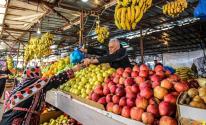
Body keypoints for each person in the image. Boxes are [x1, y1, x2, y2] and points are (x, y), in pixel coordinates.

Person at [0, 65, 80, 125]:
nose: (42, 76)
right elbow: (56, 79)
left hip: (6, 120)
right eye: (40, 74)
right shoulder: (36, 84)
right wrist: (75, 69)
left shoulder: (22, 85)